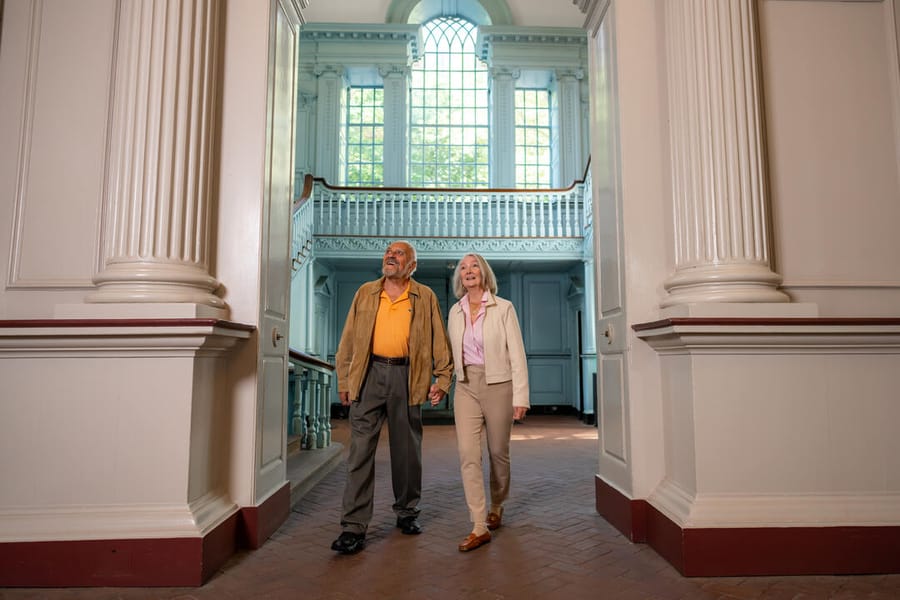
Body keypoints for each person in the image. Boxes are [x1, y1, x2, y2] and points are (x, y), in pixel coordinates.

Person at [330, 240, 453, 555]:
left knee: (407, 452)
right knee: (359, 453)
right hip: (369, 375)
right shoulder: (366, 293)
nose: (390, 256)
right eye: (388, 252)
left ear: (412, 265)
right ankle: (353, 527)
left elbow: (440, 337)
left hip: (407, 376)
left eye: (399, 253)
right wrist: (344, 378)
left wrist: (443, 378)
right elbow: (347, 340)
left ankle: (407, 512)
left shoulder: (424, 296)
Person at [443, 253, 529, 552]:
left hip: (499, 385)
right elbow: (451, 352)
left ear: (484, 272)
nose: (469, 271)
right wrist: (444, 383)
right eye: (463, 268)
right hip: (465, 386)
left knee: (497, 453)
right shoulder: (455, 311)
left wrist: (521, 396)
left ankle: (498, 504)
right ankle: (479, 524)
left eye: (474, 265)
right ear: (459, 278)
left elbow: (517, 353)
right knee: (468, 454)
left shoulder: (504, 308)